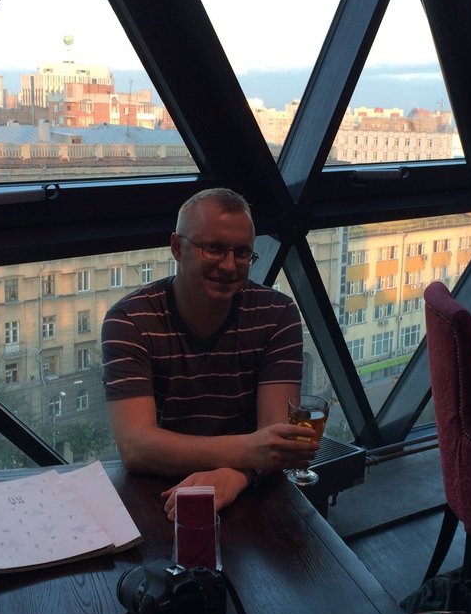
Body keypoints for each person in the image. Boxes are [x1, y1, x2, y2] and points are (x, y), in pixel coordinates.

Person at [101, 187, 318, 519]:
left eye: (242, 252)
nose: (229, 265)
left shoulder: (277, 314)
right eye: (213, 248)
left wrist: (235, 476)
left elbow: (275, 442)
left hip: (249, 491)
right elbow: (136, 448)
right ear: (177, 247)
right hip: (158, 493)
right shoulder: (130, 320)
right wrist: (250, 453)